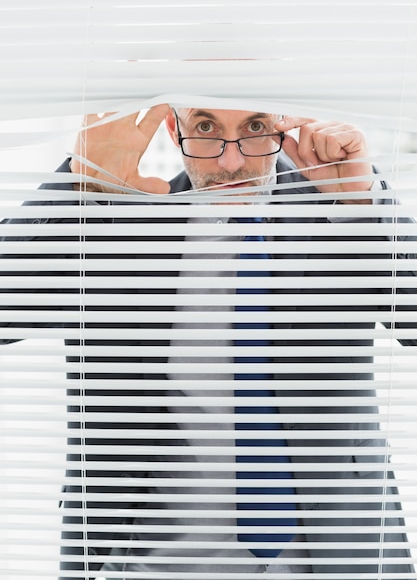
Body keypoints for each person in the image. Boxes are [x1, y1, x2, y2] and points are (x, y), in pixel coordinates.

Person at [1, 105, 415, 578]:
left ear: (285, 122)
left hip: (334, 559)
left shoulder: (340, 210)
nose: (231, 163)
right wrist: (76, 186)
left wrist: (367, 203)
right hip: (149, 565)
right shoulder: (118, 218)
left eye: (256, 128)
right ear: (175, 130)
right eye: (206, 128)